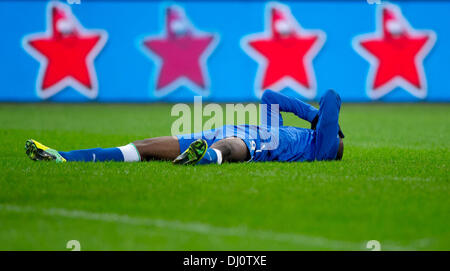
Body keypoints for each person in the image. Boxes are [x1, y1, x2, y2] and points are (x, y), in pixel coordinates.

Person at [25, 89, 344, 165]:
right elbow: (270, 96)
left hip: (260, 144)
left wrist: (321, 120)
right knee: (145, 145)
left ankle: (205, 158)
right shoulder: (294, 130)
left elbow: (332, 98)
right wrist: (314, 119)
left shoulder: (321, 147)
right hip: (232, 131)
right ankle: (64, 156)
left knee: (233, 146)